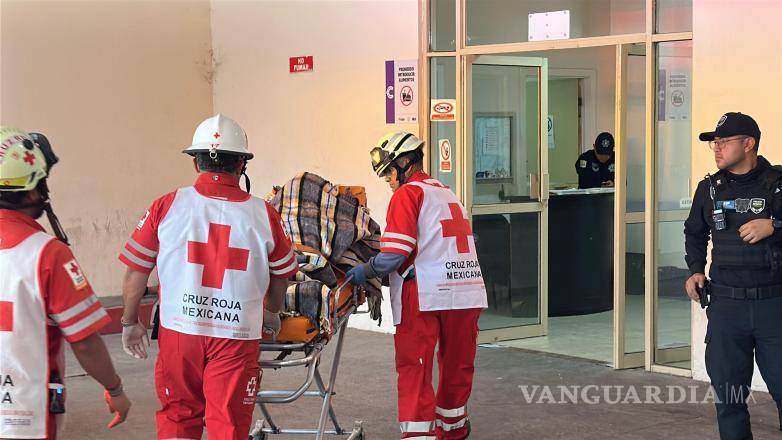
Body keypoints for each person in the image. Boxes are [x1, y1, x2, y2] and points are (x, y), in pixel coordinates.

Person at [117, 114, 297, 440]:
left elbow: (136, 270)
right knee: (227, 425)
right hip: (236, 337)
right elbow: (282, 274)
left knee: (177, 420)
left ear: (195, 162)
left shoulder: (168, 205)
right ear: (242, 163)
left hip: (179, 334)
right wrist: (271, 312)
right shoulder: (263, 214)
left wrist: (130, 321)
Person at [347, 132, 488, 440]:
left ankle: (419, 435)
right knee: (457, 365)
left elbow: (396, 252)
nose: (386, 178)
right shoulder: (446, 192)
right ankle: (453, 430)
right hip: (466, 289)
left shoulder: (408, 195)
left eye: (388, 170)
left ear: (405, 162)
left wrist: (366, 270)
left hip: (424, 292)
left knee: (415, 367)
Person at [0, 127, 131, 439]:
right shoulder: (46, 253)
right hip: (21, 415)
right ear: (33, 191)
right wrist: (115, 389)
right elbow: (84, 341)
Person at [684, 112, 782, 439]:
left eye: (724, 141)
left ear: (748, 143)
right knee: (729, 399)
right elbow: (694, 233)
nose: (717, 148)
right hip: (726, 308)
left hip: (774, 306)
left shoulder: (779, 184)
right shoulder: (709, 189)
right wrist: (696, 270)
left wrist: (775, 226)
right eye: (715, 143)